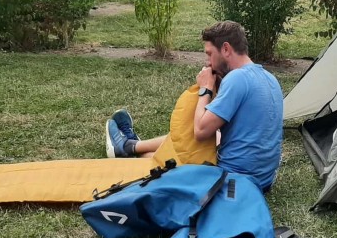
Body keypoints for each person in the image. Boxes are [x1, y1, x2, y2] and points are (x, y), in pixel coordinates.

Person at [105, 21, 285, 192]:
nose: (208, 62)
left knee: (176, 154)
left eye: (209, 54)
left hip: (232, 179)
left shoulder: (237, 78)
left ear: (226, 49)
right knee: (203, 137)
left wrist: (206, 89)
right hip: (264, 179)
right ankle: (131, 146)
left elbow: (200, 131)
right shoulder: (270, 79)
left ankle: (134, 151)